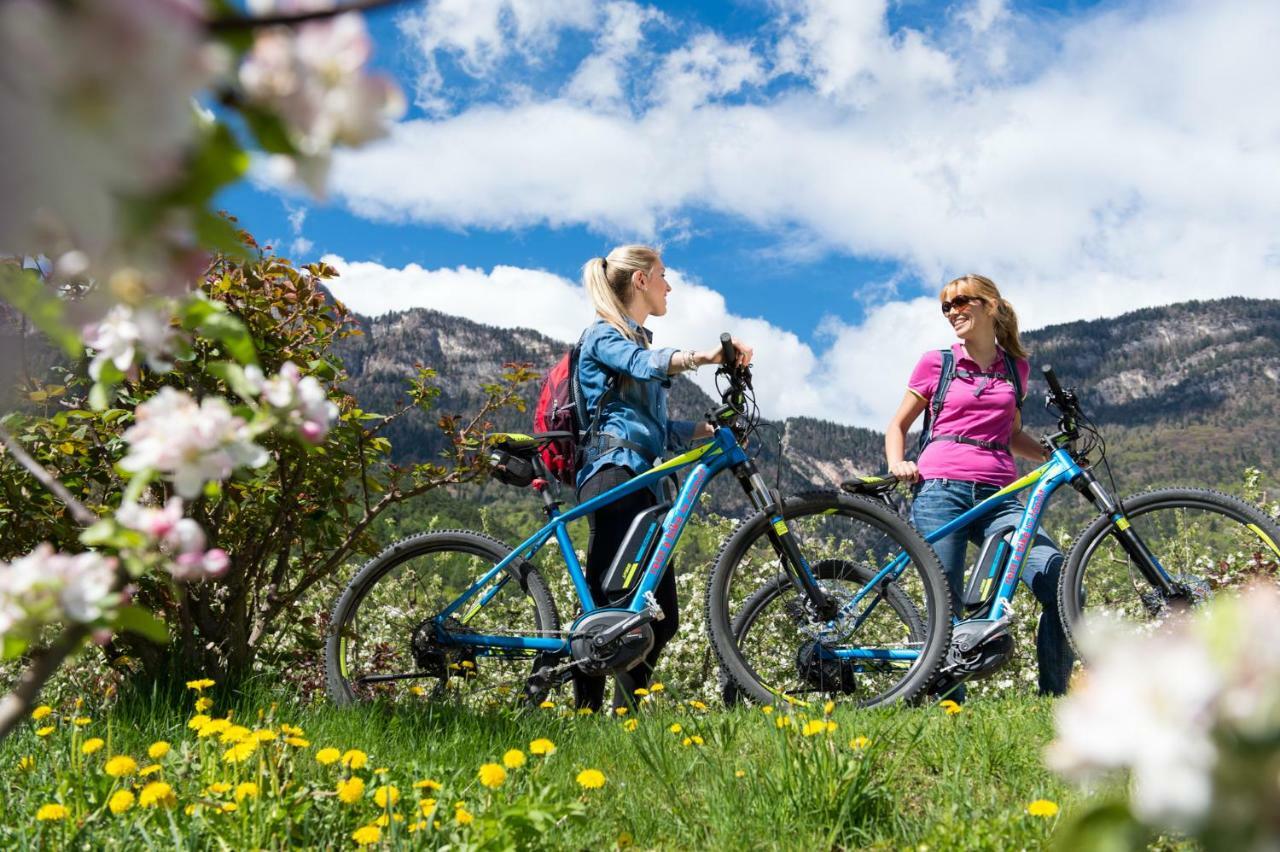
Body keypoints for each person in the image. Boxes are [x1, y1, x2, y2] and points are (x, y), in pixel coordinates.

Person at [573, 244, 751, 712]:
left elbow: (649, 430)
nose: (669, 285)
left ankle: (625, 716)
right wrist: (704, 356)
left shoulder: (638, 343)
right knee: (606, 609)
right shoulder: (605, 337)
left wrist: (701, 431)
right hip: (613, 477)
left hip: (643, 484)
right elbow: (640, 365)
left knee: (661, 617)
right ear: (640, 281)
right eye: (663, 276)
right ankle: (584, 718)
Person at [885, 273, 1072, 700]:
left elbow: (1009, 433)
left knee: (1058, 580)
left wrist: (1049, 454)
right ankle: (949, 707)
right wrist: (899, 463)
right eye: (946, 307)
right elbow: (897, 425)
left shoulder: (1015, 368)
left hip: (1002, 496)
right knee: (944, 603)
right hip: (940, 488)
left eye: (961, 302)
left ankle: (1055, 699)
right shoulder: (937, 363)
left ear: (989, 304)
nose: (952, 312)